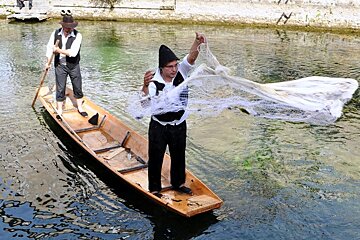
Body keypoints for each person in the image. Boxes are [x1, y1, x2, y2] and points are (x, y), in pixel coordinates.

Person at [142, 32, 206, 198]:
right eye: (170, 67)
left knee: (179, 154)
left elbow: (191, 58)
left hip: (178, 123)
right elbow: (144, 104)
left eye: (175, 65)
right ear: (162, 68)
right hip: (159, 126)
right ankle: (155, 189)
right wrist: (144, 87)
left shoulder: (181, 72)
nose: (174, 69)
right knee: (156, 156)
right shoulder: (153, 81)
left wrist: (197, 41)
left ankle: (178, 184)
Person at [45, 13, 87, 119]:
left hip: (73, 65)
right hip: (60, 65)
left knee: (77, 86)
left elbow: (73, 53)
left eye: (71, 27)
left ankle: (80, 108)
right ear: (62, 26)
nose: (69, 29)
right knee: (60, 88)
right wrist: (47, 62)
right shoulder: (55, 34)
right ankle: (59, 110)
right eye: (67, 27)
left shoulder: (78, 35)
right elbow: (50, 48)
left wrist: (58, 50)